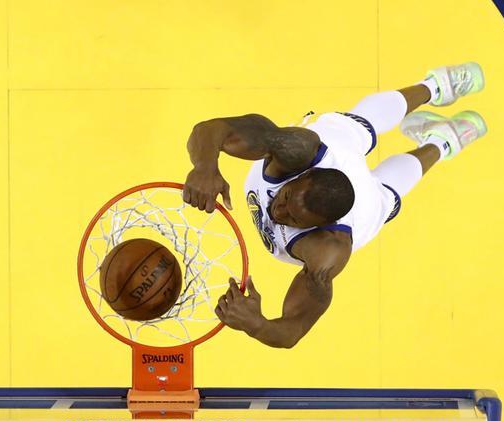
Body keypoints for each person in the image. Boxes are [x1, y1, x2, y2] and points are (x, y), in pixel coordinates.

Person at [183, 62, 487, 348]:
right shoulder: (296, 149)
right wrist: (205, 167)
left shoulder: (328, 250)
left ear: (316, 227)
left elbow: (294, 329)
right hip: (340, 142)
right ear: (301, 174)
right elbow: (210, 129)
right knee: (363, 122)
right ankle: (436, 87)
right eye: (286, 198)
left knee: (389, 192)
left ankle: (443, 142)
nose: (278, 211)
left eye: (294, 218)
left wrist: (257, 325)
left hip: (364, 206)